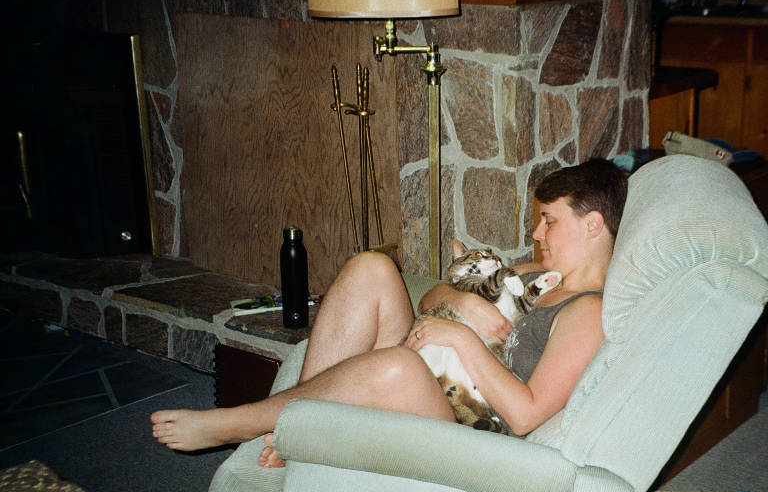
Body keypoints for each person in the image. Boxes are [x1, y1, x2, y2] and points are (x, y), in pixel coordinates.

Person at [150, 159, 627, 466]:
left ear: (592, 225)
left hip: (472, 429)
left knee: (400, 365)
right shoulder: (531, 273)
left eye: (548, 221)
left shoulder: (586, 312)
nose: (537, 234)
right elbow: (429, 301)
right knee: (372, 267)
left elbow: (525, 416)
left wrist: (460, 338)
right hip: (435, 377)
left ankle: (243, 422)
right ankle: (301, 430)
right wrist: (462, 303)